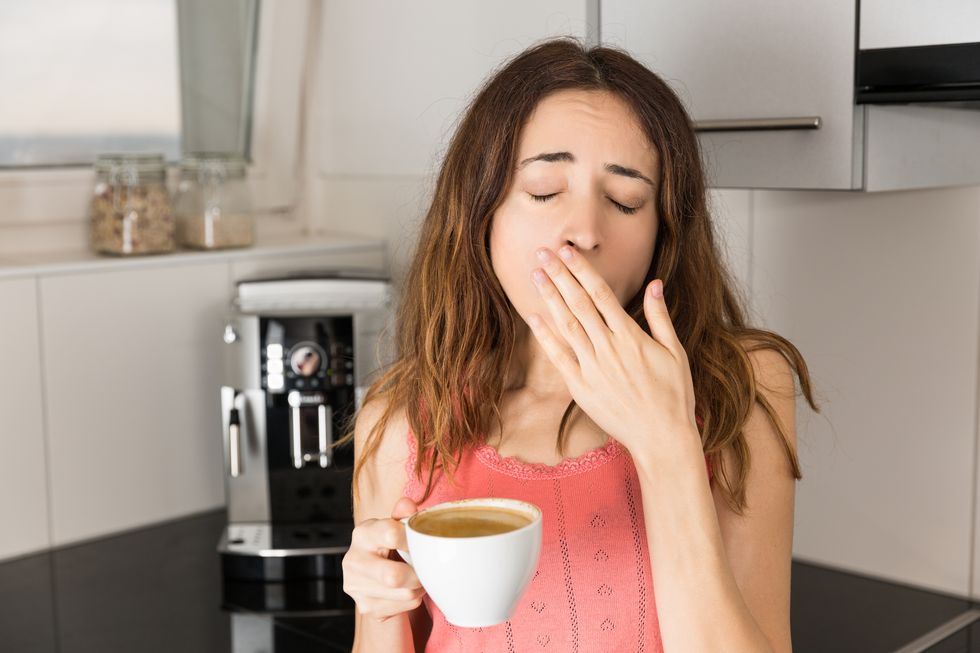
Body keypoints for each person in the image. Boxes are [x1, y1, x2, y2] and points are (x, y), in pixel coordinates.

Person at [337, 35, 818, 653]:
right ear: (480, 213)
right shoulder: (402, 420)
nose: (585, 232)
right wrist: (379, 611)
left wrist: (665, 442)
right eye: (543, 190)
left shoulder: (743, 386)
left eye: (625, 200)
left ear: (661, 233)